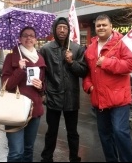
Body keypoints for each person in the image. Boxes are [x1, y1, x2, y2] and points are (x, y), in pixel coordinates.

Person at [82, 14, 132, 162]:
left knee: (120, 132)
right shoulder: (91, 48)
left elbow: (131, 64)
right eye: (98, 25)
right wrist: (89, 86)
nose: (101, 28)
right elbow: (87, 72)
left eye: (104, 25)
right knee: (105, 135)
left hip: (119, 99)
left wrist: (107, 62)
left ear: (111, 26)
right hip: (99, 98)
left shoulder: (121, 43)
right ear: (95, 28)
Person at [39, 17, 88, 162]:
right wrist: (42, 92)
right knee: (51, 131)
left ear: (69, 30)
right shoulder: (46, 49)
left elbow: (84, 71)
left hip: (71, 98)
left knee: (72, 132)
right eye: (59, 27)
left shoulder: (77, 48)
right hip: (53, 97)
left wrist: (71, 62)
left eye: (65, 28)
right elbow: (42, 73)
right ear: (55, 29)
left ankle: (74, 158)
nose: (62, 30)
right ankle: (47, 158)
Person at [1, 26, 46, 162]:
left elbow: (43, 87)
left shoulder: (40, 58)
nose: (28, 38)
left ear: (36, 39)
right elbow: (6, 85)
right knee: (16, 152)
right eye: (25, 35)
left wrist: (41, 86)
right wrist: (19, 70)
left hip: (34, 110)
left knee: (28, 149)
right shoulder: (11, 58)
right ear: (20, 39)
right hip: (15, 110)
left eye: (32, 35)